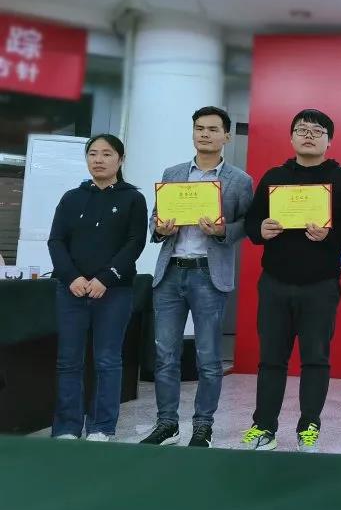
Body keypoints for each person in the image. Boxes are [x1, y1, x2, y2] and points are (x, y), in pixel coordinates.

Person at [241, 109, 341, 452]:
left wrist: (331, 234)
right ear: (291, 137)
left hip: (321, 284)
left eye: (317, 130)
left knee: (315, 358)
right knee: (271, 359)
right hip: (275, 282)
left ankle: (309, 425)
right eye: (301, 129)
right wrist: (261, 229)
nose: (308, 135)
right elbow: (251, 223)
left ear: (329, 140)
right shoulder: (274, 177)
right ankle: (263, 426)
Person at [140, 106, 253, 448]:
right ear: (193, 133)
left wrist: (222, 230)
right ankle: (167, 423)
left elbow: (247, 225)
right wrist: (160, 228)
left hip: (208, 273)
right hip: (170, 271)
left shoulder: (239, 180)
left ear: (226, 136)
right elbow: (155, 218)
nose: (205, 134)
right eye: (199, 128)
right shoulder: (173, 173)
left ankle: (203, 426)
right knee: (165, 355)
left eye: (212, 129)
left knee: (208, 358)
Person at [47, 134, 147, 441]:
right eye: (93, 154)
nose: (98, 160)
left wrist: (106, 278)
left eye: (106, 154)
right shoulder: (71, 197)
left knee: (107, 360)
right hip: (72, 290)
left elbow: (134, 243)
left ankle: (102, 427)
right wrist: (71, 277)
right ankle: (66, 427)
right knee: (68, 361)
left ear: (120, 159)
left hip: (114, 291)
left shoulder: (133, 198)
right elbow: (56, 241)